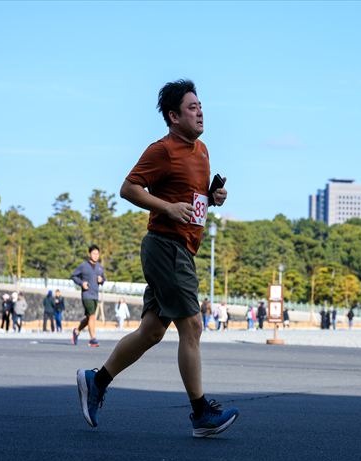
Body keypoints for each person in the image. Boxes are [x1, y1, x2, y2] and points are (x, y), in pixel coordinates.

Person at [76, 80, 238, 437]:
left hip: (183, 249)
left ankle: (96, 381)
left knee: (151, 332)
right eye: (192, 108)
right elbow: (128, 188)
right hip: (166, 246)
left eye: (200, 106)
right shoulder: (162, 150)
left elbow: (190, 198)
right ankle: (201, 414)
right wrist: (167, 207)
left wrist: (212, 197)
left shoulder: (202, 151)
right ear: (173, 116)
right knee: (192, 326)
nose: (200, 112)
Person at [71, 245, 106, 347]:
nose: (96, 256)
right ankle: (92, 339)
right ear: (89, 254)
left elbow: (103, 279)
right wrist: (82, 283)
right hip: (86, 295)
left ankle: (77, 331)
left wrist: (101, 280)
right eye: (94, 253)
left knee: (89, 318)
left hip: (95, 295)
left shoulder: (100, 267)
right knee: (92, 316)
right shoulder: (83, 266)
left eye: (97, 254)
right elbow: (74, 276)